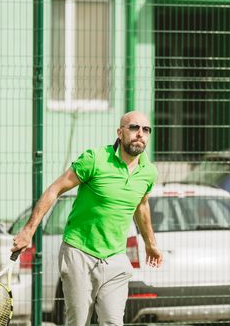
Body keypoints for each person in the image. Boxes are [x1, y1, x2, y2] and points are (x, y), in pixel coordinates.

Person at [11, 110, 163, 326]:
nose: (140, 133)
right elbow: (55, 189)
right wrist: (28, 230)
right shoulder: (94, 159)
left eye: (146, 130)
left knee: (113, 322)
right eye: (134, 128)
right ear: (120, 133)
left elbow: (142, 204)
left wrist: (150, 243)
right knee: (78, 321)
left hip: (116, 258)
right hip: (79, 253)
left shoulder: (149, 172)